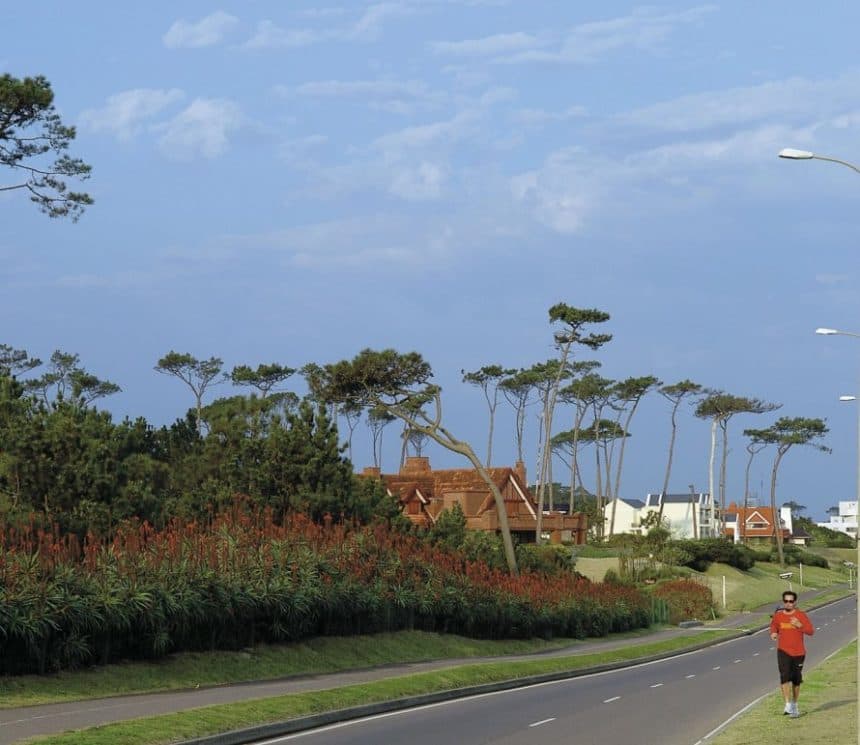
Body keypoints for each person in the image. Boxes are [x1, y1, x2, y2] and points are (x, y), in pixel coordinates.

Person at [769, 590, 814, 718]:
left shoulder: (801, 615)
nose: (788, 603)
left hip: (798, 652)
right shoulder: (778, 616)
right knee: (784, 676)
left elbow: (810, 631)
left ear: (795, 602)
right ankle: (787, 704)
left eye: (791, 601)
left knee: (796, 679)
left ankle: (794, 704)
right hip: (783, 651)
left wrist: (799, 625)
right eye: (786, 601)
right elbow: (774, 626)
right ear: (783, 602)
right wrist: (773, 633)